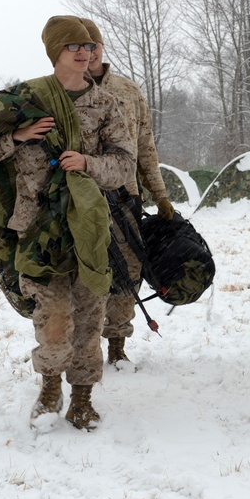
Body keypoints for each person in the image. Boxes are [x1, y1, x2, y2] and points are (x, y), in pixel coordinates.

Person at [0, 15, 135, 429]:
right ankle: (49, 385)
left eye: (88, 46)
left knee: (89, 314)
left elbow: (124, 165)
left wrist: (88, 162)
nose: (84, 53)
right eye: (73, 47)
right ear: (55, 53)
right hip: (36, 227)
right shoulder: (23, 100)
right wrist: (17, 137)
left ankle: (82, 397)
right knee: (52, 317)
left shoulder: (106, 104)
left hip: (88, 227)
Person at [80, 18, 173, 367]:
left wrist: (159, 194)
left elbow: (145, 147)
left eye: (93, 46)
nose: (88, 53)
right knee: (86, 274)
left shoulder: (128, 91)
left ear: (101, 48)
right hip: (79, 201)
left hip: (125, 198)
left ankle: (117, 344)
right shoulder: (63, 92)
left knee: (128, 273)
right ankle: (85, 347)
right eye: (80, 46)